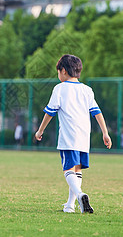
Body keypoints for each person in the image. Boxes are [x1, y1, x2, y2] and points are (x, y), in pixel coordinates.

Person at [35, 54, 112, 214]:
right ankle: (70, 205)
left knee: (68, 170)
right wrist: (105, 132)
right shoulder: (87, 90)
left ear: (63, 71)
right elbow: (97, 112)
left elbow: (50, 112)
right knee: (77, 170)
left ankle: (80, 195)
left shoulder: (60, 88)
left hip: (69, 135)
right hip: (84, 136)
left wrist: (40, 130)